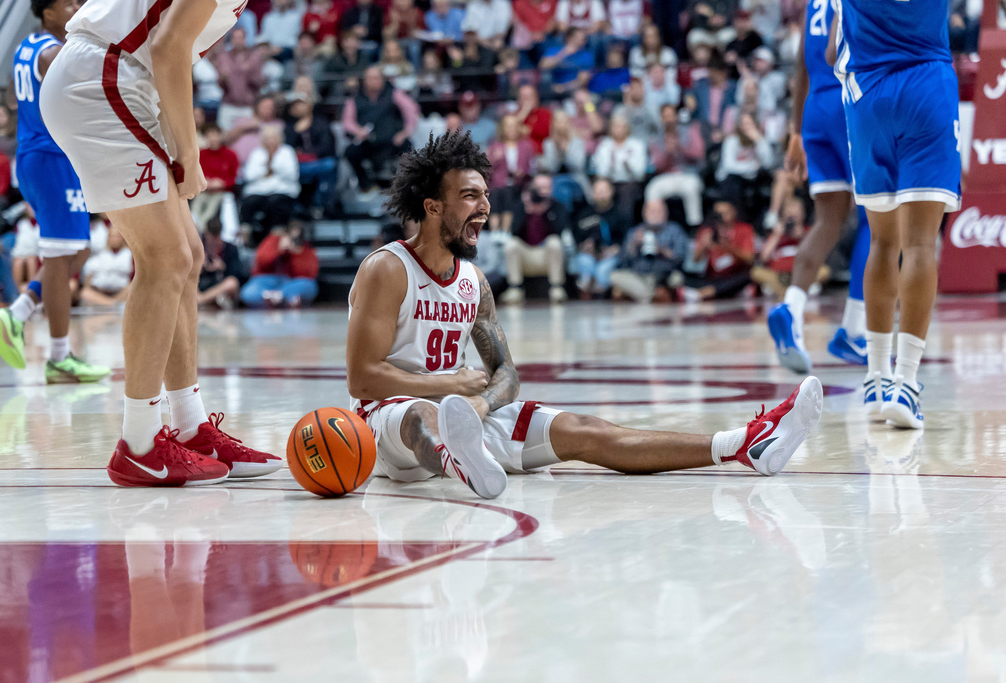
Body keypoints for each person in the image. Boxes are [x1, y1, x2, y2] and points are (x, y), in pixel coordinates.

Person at [345, 130, 824, 500]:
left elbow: (506, 374)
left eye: (486, 195)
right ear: (432, 207)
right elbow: (363, 380)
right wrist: (453, 389)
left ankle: (743, 444)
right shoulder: (388, 269)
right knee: (422, 417)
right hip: (387, 420)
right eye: (471, 196)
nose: (486, 207)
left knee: (587, 431)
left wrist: (483, 404)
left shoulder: (475, 284)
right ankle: (459, 460)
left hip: (466, 414)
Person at [40, 0, 283, 484]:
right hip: (104, 78)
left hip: (125, 80)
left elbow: (166, 48)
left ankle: (191, 427)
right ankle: (139, 444)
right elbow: (170, 48)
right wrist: (191, 156)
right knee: (165, 259)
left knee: (187, 257)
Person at [832, 0, 961, 429]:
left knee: (883, 242)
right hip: (927, 82)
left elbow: (833, 49)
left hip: (868, 93)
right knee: (920, 244)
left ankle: (875, 379)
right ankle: (905, 384)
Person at [0, 0, 111, 384]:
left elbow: (12, 98)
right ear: (48, 12)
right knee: (60, 256)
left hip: (38, 157)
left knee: (80, 249)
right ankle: (59, 357)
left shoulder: (28, 45)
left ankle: (18, 312)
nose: (77, 7)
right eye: (69, 3)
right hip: (50, 158)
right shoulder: (56, 51)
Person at [766, 0, 871, 374]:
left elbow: (801, 64)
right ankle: (855, 331)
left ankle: (791, 306)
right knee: (875, 219)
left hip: (813, 109)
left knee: (828, 222)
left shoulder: (813, 3)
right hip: (847, 99)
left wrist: (795, 131)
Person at [342, 66, 418, 193]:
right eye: (371, 78)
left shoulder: (394, 93)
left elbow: (411, 110)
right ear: (364, 80)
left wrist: (405, 132)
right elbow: (347, 122)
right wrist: (358, 131)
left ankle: (406, 187)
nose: (374, 81)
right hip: (368, 141)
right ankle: (366, 185)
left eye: (377, 78)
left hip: (392, 140)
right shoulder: (355, 98)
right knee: (350, 152)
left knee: (408, 147)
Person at [501, 172, 569, 304]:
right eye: (539, 188)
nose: (542, 192)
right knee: (511, 244)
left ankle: (556, 288)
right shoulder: (521, 205)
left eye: (546, 188)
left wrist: (546, 213)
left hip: (546, 254)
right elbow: (513, 232)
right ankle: (515, 289)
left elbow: (560, 232)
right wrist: (527, 211)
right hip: (526, 254)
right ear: (532, 189)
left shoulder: (558, 206)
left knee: (554, 242)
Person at [610, 199, 688, 303]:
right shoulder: (635, 232)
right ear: (644, 213)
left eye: (659, 211)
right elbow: (622, 262)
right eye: (651, 211)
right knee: (614, 276)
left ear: (666, 213)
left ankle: (644, 296)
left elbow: (680, 258)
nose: (655, 215)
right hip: (638, 276)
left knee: (677, 278)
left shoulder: (674, 230)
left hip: (665, 275)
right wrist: (633, 245)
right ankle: (650, 296)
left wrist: (661, 250)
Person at [645, 104, 706, 227]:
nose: (669, 119)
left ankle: (694, 227)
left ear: (676, 116)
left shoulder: (690, 130)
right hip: (666, 176)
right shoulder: (656, 138)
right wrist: (667, 153)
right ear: (661, 118)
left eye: (671, 115)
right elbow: (656, 166)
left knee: (690, 189)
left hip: (688, 174)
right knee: (652, 189)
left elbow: (700, 154)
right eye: (665, 116)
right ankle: (654, 226)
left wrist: (681, 147)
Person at [682, 200, 756, 301]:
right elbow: (696, 259)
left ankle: (706, 293)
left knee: (749, 275)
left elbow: (750, 258)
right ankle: (719, 291)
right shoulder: (707, 230)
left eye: (726, 212)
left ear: (734, 212)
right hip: (714, 276)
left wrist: (727, 247)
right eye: (719, 214)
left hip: (734, 274)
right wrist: (704, 245)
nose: (722, 217)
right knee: (684, 278)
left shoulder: (744, 229)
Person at [240, 124, 301, 243]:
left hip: (282, 192)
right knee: (249, 203)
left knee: (276, 202)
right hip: (258, 191)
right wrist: (265, 166)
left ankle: (276, 239)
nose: (270, 141)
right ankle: (246, 240)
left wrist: (273, 165)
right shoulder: (257, 153)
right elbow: (249, 175)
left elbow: (292, 175)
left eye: (273, 138)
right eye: (267, 138)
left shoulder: (287, 152)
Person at [240, 220, 320, 308]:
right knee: (248, 292)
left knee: (309, 285)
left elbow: (309, 273)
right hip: (264, 282)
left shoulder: (304, 249)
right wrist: (278, 251)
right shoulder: (272, 240)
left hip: (288, 283)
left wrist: (295, 253)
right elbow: (261, 262)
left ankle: (279, 297)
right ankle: (276, 299)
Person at [573, 178, 629, 297]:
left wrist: (614, 249)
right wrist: (584, 246)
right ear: (592, 193)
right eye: (598, 192)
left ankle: (598, 297)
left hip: (610, 255)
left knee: (603, 270)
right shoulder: (584, 214)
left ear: (611, 191)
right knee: (584, 262)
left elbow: (626, 240)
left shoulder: (620, 215)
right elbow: (576, 237)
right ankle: (585, 292)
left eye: (604, 191)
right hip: (589, 255)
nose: (601, 195)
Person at [212, 27, 265, 132]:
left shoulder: (254, 57)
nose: (238, 41)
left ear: (245, 39)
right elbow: (219, 82)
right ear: (231, 40)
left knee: (246, 137)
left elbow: (258, 82)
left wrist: (244, 72)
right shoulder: (224, 57)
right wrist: (224, 78)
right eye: (235, 38)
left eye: (240, 38)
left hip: (247, 104)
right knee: (224, 134)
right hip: (228, 103)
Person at [191, 123, 240, 230]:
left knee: (210, 211)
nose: (213, 139)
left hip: (221, 192)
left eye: (215, 135)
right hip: (203, 191)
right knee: (195, 210)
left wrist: (222, 183)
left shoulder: (230, 155)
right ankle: (195, 229)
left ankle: (201, 230)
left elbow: (235, 178)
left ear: (221, 136)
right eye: (210, 135)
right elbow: (194, 175)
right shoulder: (201, 154)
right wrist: (204, 182)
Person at [79, 225, 133, 306]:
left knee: (131, 289)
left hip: (121, 292)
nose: (114, 239)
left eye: (116, 237)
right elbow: (88, 275)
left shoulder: (129, 255)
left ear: (122, 238)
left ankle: (112, 303)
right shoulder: (100, 254)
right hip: (101, 292)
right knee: (85, 293)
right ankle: (112, 304)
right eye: (111, 236)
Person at [197, 218, 242, 308]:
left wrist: (223, 267)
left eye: (216, 237)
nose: (214, 241)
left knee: (232, 283)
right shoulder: (199, 248)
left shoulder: (230, 249)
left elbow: (235, 275)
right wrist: (200, 267)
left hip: (219, 285)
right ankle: (205, 300)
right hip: (202, 283)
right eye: (211, 237)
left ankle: (202, 299)